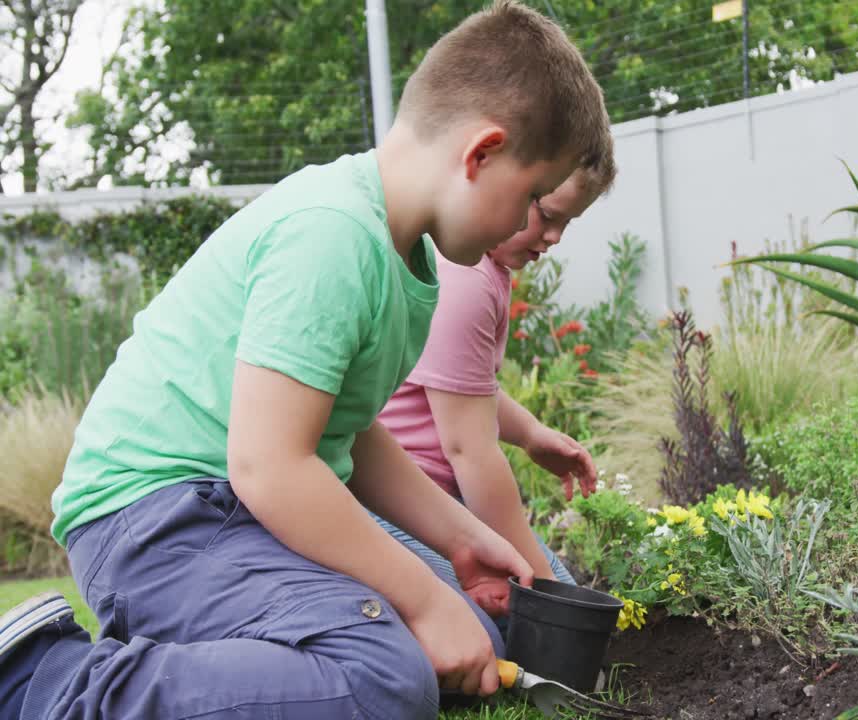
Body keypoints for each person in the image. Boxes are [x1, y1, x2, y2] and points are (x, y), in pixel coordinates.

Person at [0, 2, 613, 719]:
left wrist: (461, 538)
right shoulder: (332, 235)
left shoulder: (402, 254)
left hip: (226, 509)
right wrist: (419, 597)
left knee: (469, 634)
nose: (527, 223)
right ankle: (42, 678)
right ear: (480, 153)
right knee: (384, 674)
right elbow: (270, 465)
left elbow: (347, 432)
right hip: (153, 519)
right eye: (535, 196)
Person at [376, 158, 616, 619]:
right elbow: (470, 450)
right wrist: (538, 591)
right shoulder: (463, 280)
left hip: (443, 495)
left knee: (553, 599)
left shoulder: (486, 270)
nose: (555, 237)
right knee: (508, 624)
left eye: (568, 223)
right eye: (547, 215)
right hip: (397, 502)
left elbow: (466, 389)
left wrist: (529, 433)